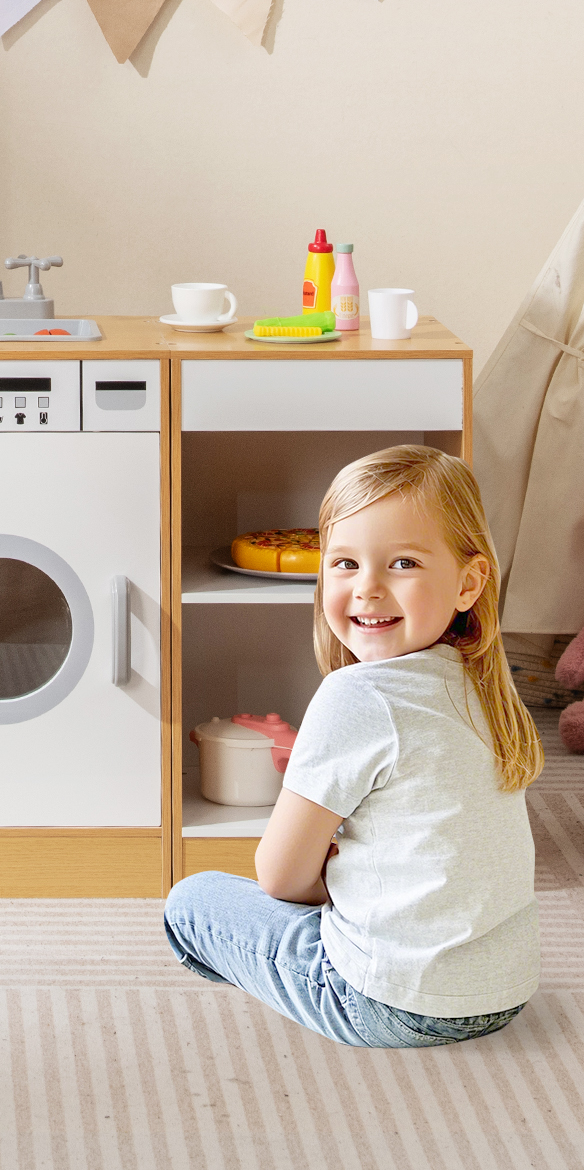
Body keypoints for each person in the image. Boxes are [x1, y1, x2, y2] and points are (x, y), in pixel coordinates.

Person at [164, 444, 542, 1046]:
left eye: (403, 564)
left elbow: (280, 877)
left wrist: (333, 882)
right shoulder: (481, 683)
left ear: (469, 583)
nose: (367, 589)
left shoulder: (355, 697)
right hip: (503, 993)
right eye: (344, 564)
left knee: (192, 900)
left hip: (388, 1002)